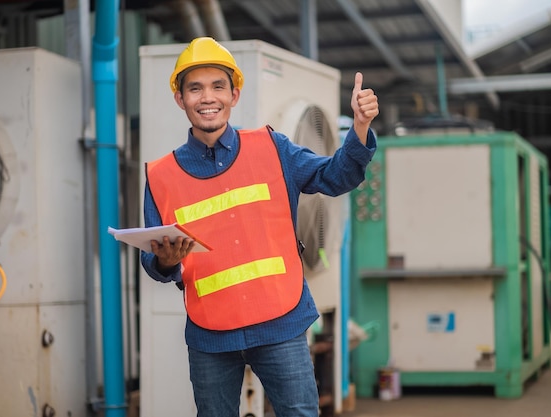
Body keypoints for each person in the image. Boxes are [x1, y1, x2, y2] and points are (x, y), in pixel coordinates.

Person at [141, 37, 378, 417]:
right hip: (210, 332)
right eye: (195, 88)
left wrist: (361, 128)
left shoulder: (273, 147)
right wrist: (166, 262)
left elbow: (336, 176)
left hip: (280, 321)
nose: (208, 98)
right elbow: (154, 262)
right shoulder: (160, 176)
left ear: (234, 94)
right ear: (180, 99)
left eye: (218, 86)